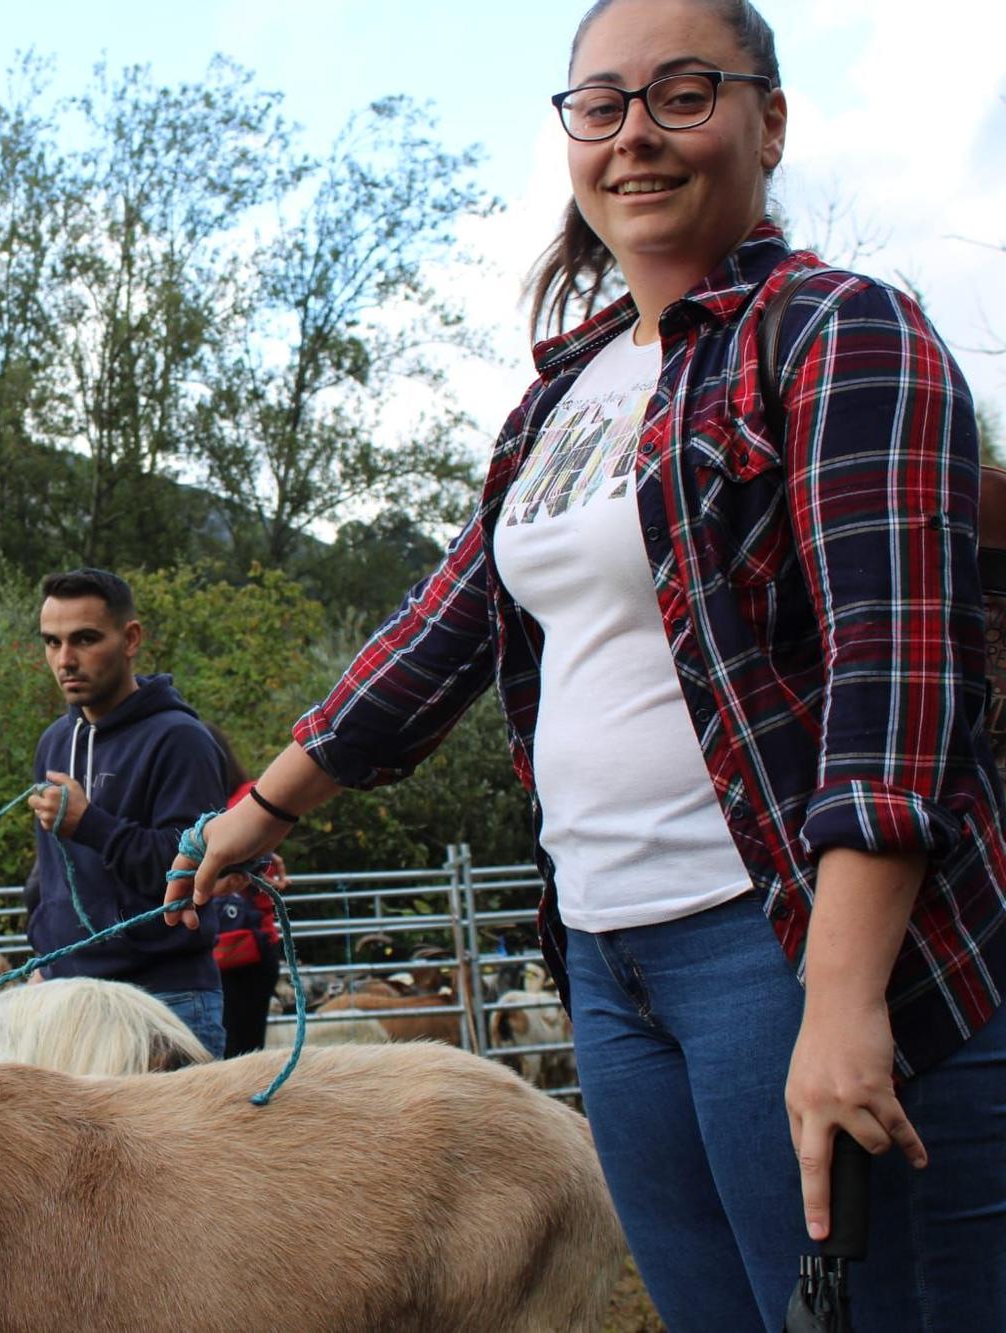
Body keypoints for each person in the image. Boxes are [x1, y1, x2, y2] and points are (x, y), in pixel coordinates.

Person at [164, 2, 1006, 1326]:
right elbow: (439, 633)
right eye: (601, 106)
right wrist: (252, 815)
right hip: (610, 960)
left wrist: (843, 1005)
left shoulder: (841, 333)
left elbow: (894, 682)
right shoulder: (564, 398)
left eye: (683, 95)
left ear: (769, 121)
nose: (634, 138)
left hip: (781, 951)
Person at [25, 567, 228, 1056]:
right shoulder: (54, 741)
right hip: (65, 1002)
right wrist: (42, 957)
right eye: (52, 643)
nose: (65, 660)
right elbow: (47, 874)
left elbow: (194, 869)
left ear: (130, 638)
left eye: (85, 639)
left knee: (182, 1138)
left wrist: (91, 824)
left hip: (165, 1000)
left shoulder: (180, 739)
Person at [202, 724, 286, 1059]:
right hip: (227, 952)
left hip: (242, 951)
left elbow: (231, 863)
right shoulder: (227, 804)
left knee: (240, 1058)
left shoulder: (245, 802)